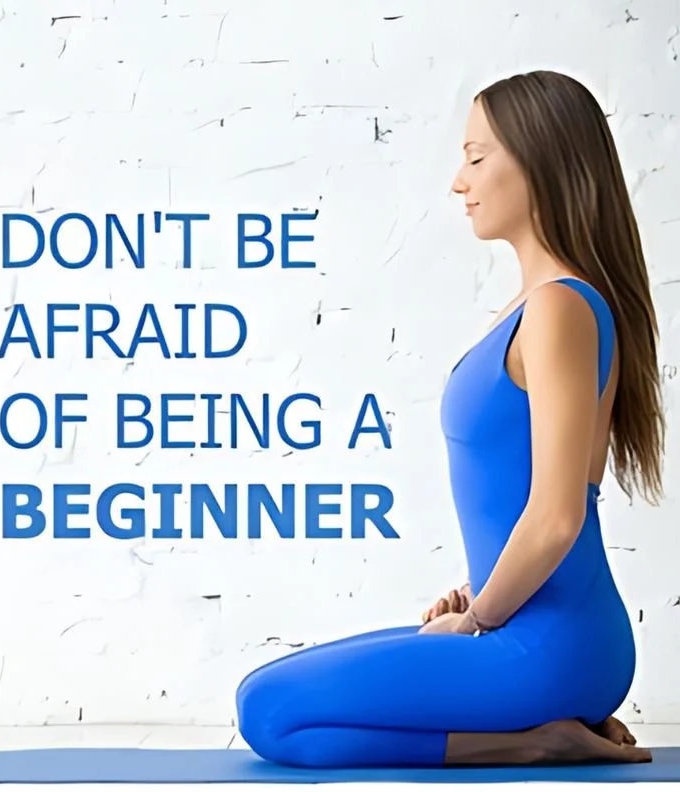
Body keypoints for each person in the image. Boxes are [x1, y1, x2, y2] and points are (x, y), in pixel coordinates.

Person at [235, 70, 665, 768]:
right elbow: (522, 498)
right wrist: (479, 593)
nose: (457, 183)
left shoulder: (560, 309)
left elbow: (557, 516)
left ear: (540, 159)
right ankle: (542, 735)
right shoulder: (539, 310)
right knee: (267, 697)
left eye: (474, 156)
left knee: (271, 714)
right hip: (524, 624)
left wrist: (479, 618)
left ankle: (535, 740)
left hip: (549, 642)